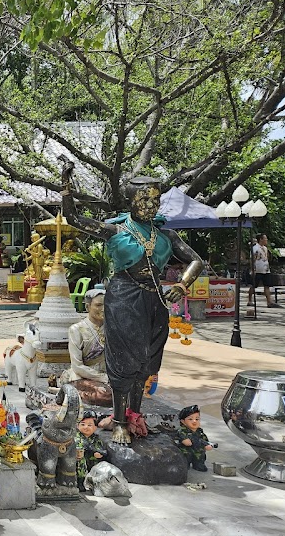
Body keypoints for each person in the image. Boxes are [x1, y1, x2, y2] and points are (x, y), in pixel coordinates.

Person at [61, 162, 204, 444]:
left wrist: (181, 284)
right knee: (122, 361)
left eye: (155, 200)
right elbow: (74, 219)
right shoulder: (115, 230)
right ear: (131, 201)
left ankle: (135, 417)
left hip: (155, 299)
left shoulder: (166, 235)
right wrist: (66, 188)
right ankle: (118, 422)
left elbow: (197, 261)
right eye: (144, 199)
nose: (151, 206)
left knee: (146, 362)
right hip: (124, 298)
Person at [59, 288, 112, 406]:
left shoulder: (111, 329)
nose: (103, 309)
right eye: (98, 305)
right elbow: (77, 366)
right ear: (88, 307)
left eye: (106, 305)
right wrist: (103, 378)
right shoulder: (77, 330)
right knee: (103, 395)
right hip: (81, 375)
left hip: (107, 377)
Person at [175, 405, 215, 472]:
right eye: (190, 419)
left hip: (197, 452)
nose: (194, 421)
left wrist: (207, 445)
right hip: (186, 451)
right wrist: (187, 440)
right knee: (186, 456)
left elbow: (204, 440)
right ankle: (185, 464)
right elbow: (187, 442)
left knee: (201, 455)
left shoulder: (199, 431)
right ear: (183, 421)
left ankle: (198, 463)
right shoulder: (182, 430)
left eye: (197, 419)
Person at [75, 412, 106, 490]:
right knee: (80, 461)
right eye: (83, 424)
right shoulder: (76, 438)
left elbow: (100, 449)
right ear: (77, 426)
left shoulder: (96, 439)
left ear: (95, 427)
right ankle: (80, 481)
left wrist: (99, 454)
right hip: (79, 463)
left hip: (92, 462)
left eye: (89, 425)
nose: (86, 427)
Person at [251, 234, 280, 308]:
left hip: (266, 269)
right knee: (254, 285)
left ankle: (269, 302)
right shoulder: (255, 248)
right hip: (258, 270)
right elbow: (252, 259)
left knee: (267, 285)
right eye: (265, 238)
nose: (266, 240)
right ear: (261, 239)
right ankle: (249, 300)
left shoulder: (265, 248)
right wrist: (252, 269)